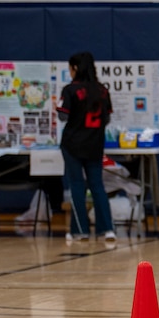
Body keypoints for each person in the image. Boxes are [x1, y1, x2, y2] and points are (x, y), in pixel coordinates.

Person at [56, 51, 116, 244]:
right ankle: (107, 230)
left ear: (75, 68)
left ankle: (80, 230)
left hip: (73, 144)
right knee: (97, 186)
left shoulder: (70, 90)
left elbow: (63, 116)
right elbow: (106, 118)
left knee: (76, 186)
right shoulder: (102, 90)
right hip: (95, 144)